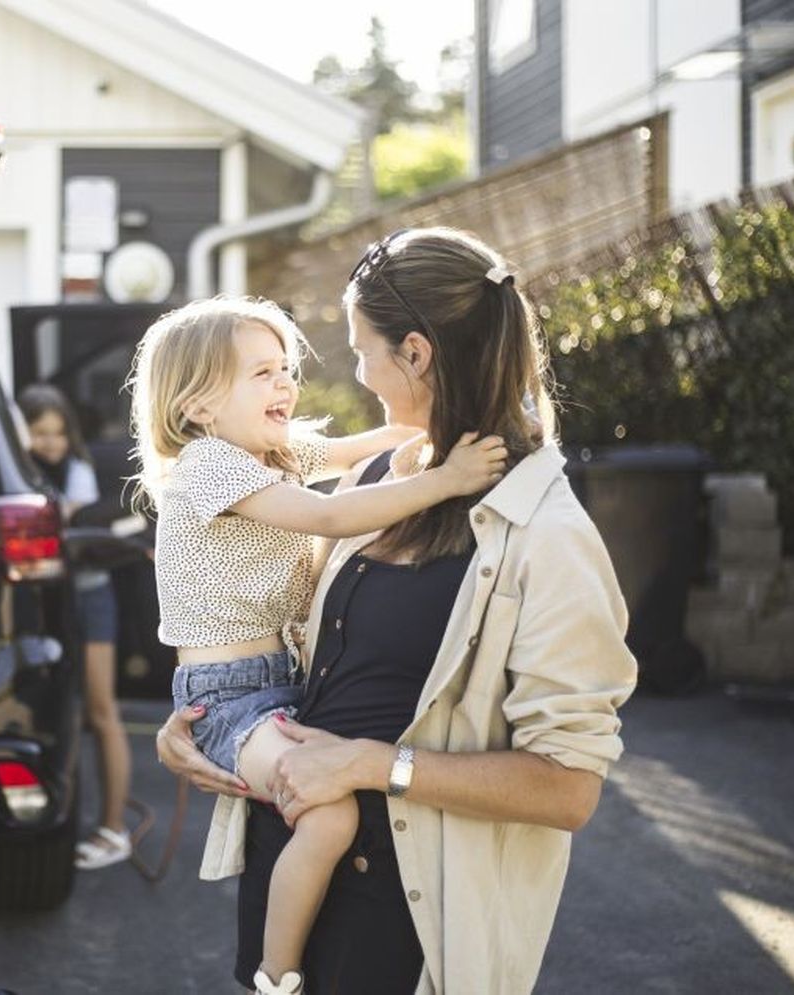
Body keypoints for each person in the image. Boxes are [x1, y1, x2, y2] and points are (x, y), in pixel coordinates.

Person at [156, 229, 638, 994]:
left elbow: (568, 788)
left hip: (408, 926)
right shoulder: (381, 477)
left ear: (414, 353)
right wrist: (201, 728)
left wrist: (376, 765)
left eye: (361, 351)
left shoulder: (546, 532)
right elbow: (286, 642)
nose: (354, 374)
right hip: (295, 870)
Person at [128, 297, 507, 995]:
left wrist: (427, 428)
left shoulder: (265, 451)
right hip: (229, 697)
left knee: (327, 810)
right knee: (329, 814)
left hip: (277, 683)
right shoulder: (208, 462)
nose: (285, 386)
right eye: (261, 373)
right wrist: (448, 479)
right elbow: (330, 511)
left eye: (285, 369)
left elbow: (353, 449)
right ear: (199, 406)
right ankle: (278, 974)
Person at [18, 382, 135, 870]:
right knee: (55, 716)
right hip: (41, 606)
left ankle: (114, 829)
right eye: (38, 433)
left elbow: (75, 521)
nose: (49, 443)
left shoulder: (78, 471)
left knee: (101, 711)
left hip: (87, 599)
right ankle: (53, 819)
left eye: (57, 433)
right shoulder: (18, 471)